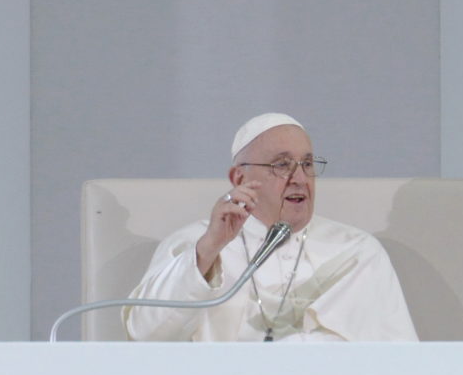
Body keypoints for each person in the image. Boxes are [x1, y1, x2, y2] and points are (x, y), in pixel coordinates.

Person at [126, 113, 418, 342]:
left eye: (307, 164)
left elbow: (400, 359)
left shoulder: (357, 252)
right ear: (239, 179)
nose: (299, 178)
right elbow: (145, 335)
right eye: (282, 165)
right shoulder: (194, 243)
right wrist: (207, 252)